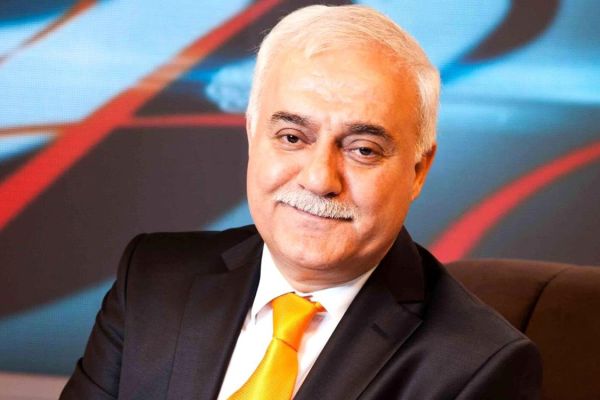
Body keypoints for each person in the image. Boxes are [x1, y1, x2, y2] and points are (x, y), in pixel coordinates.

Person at [61, 5, 542, 399]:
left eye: (363, 150)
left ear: (418, 170)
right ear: (253, 135)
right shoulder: (151, 279)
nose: (318, 180)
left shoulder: (476, 369)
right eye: (292, 137)